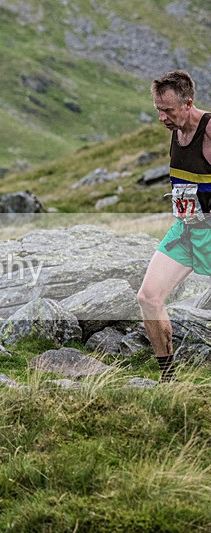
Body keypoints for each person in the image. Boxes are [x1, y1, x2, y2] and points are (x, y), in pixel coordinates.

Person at [138, 70, 211, 383]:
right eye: (157, 109)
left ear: (188, 103)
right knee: (148, 298)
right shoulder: (177, 129)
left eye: (167, 110)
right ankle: (168, 380)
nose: (161, 117)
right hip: (184, 229)